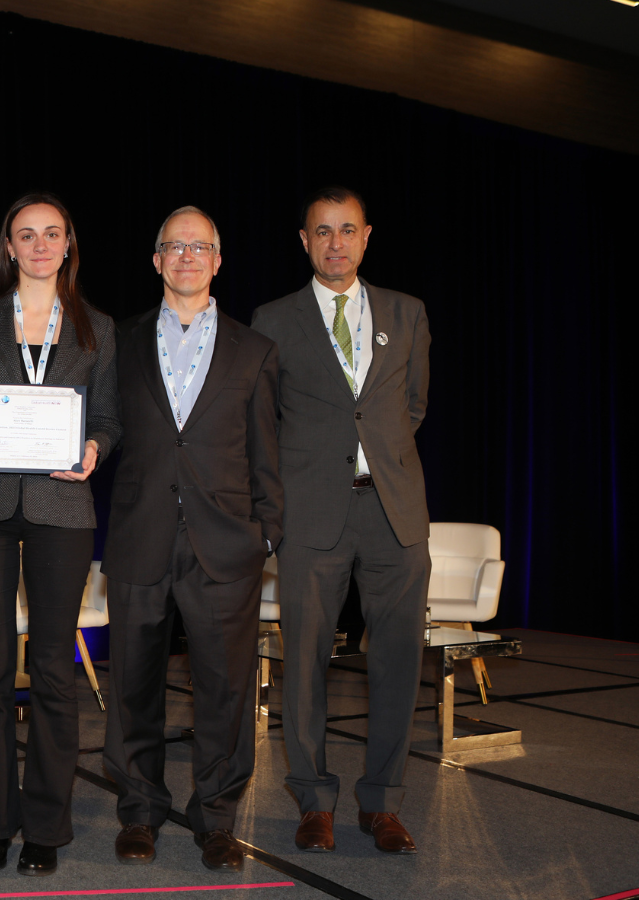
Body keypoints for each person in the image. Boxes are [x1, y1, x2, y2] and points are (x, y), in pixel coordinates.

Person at [0, 192, 121, 877]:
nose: (40, 244)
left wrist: (96, 448)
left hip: (61, 507)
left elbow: (109, 418)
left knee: (52, 668)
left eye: (53, 234)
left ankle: (46, 824)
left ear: (69, 244)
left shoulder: (95, 325)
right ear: (8, 247)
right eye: (26, 234)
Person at [250, 187, 431, 855]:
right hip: (310, 513)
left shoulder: (407, 313)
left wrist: (373, 459)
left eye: (347, 230)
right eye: (322, 231)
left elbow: (410, 407)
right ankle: (314, 800)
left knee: (397, 662)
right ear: (304, 241)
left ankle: (383, 803)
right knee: (303, 664)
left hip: (394, 510)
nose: (335, 242)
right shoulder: (272, 319)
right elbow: (263, 419)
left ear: (366, 236)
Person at [101, 207, 282, 871]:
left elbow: (268, 454)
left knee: (226, 690)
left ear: (218, 259)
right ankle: (140, 812)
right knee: (134, 686)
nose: (186, 256)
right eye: (173, 246)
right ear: (155, 260)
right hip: (139, 536)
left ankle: (217, 819)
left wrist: (266, 535)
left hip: (226, 546)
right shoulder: (115, 341)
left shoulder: (255, 351)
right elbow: (103, 428)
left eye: (199, 246)